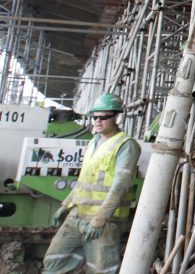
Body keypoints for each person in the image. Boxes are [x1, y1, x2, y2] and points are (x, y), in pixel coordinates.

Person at [43, 92, 141, 274]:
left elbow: (121, 185)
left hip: (104, 220)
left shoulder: (125, 145)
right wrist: (66, 205)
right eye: (95, 116)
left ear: (116, 117)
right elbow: (84, 181)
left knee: (101, 269)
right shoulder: (93, 143)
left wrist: (100, 219)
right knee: (55, 261)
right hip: (78, 214)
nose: (97, 120)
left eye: (103, 117)